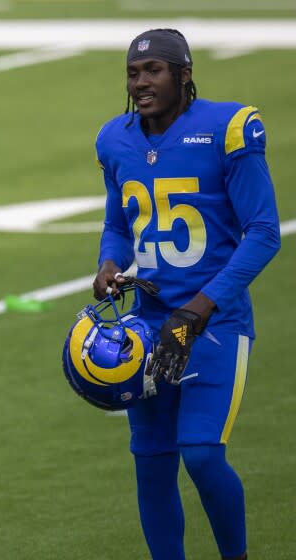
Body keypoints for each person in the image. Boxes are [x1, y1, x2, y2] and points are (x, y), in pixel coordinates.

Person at [92, 29, 281, 560]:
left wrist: (200, 306)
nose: (141, 82)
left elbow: (264, 232)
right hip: (150, 322)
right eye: (133, 72)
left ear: (184, 74)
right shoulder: (115, 138)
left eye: (153, 70)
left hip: (214, 324)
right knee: (151, 462)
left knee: (200, 454)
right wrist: (108, 263)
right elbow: (117, 224)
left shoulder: (228, 128)